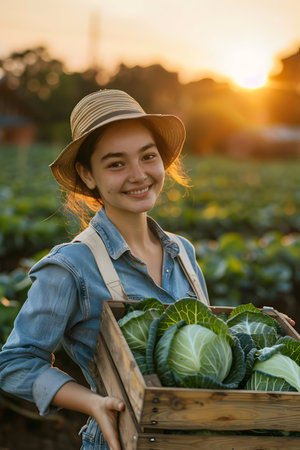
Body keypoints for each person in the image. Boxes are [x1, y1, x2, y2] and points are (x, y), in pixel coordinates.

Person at [0, 89, 209, 450]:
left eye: (148, 156)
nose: (138, 174)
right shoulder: (71, 266)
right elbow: (15, 363)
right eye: (116, 163)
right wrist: (92, 402)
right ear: (88, 174)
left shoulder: (182, 252)